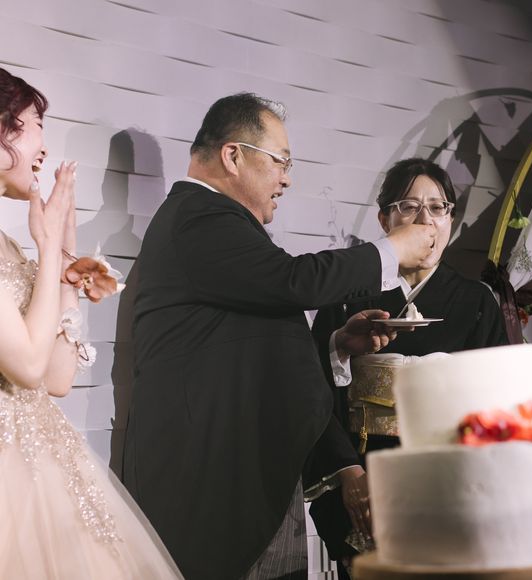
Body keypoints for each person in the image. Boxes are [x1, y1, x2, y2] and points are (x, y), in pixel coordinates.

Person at [121, 93, 437, 580]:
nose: (287, 179)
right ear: (233, 155)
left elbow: (251, 335)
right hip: (216, 476)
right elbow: (293, 281)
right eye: (281, 161)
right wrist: (390, 251)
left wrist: (337, 346)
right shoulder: (198, 216)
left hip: (252, 468)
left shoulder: (214, 220)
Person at [0, 67, 183, 579]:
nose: (43, 148)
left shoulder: (7, 246)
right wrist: (48, 249)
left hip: (41, 462)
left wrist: (64, 259)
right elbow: (27, 368)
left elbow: (56, 379)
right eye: (35, 125)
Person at [303, 157, 508, 578]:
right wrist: (347, 472)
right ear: (385, 220)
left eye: (438, 207)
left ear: (451, 219)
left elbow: (497, 402)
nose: (425, 220)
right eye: (410, 207)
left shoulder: (476, 301)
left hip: (446, 484)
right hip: (364, 478)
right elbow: (313, 389)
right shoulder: (347, 295)